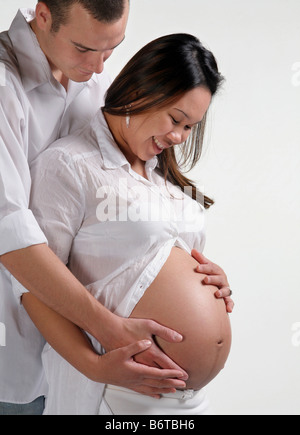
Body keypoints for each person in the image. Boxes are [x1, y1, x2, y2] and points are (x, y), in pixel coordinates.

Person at [0, 0, 197, 416]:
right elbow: (11, 233)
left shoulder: (89, 87)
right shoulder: (4, 86)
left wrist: (193, 270)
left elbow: (108, 216)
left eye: (111, 50)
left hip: (71, 362)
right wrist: (110, 333)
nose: (100, 66)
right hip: (12, 352)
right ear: (43, 14)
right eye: (84, 49)